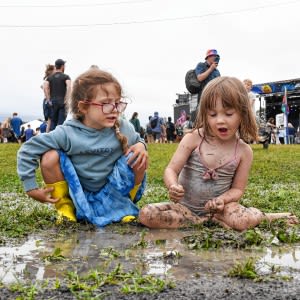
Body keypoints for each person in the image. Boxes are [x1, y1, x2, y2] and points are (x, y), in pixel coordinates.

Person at [139, 77, 298, 231]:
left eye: (228, 114)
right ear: (204, 114)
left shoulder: (243, 151)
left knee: (242, 220)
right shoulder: (193, 138)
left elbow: (237, 189)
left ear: (242, 114)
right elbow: (171, 170)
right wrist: (173, 185)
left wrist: (222, 200)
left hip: (221, 210)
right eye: (213, 114)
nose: (220, 120)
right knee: (147, 214)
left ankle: (267, 217)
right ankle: (200, 221)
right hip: (184, 209)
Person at [17, 68, 148, 227]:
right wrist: (31, 188)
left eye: (118, 103)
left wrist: (141, 145)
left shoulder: (123, 127)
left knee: (138, 156)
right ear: (83, 107)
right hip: (79, 194)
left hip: (114, 193)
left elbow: (139, 140)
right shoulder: (67, 133)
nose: (114, 109)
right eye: (106, 104)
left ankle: (123, 208)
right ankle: (66, 209)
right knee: (49, 157)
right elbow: (27, 150)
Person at [193, 49, 221, 122]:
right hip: (204, 96)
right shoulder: (201, 65)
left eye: (217, 57)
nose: (216, 58)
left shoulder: (217, 71)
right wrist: (211, 69)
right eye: (214, 56)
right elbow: (200, 78)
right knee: (203, 119)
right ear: (208, 57)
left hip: (215, 98)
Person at [44, 59, 71, 131]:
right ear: (62, 66)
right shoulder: (66, 77)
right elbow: (69, 87)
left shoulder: (49, 77)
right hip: (62, 101)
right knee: (61, 123)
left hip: (53, 102)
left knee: (53, 122)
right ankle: (59, 140)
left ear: (56, 66)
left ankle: (52, 140)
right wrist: (67, 99)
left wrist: (48, 99)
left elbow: (45, 87)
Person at [42, 64, 55, 132]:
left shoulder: (47, 79)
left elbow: (43, 87)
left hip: (46, 101)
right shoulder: (49, 79)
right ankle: (48, 137)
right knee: (50, 121)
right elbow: (44, 88)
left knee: (49, 122)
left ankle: (48, 136)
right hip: (49, 101)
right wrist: (49, 100)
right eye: (55, 69)